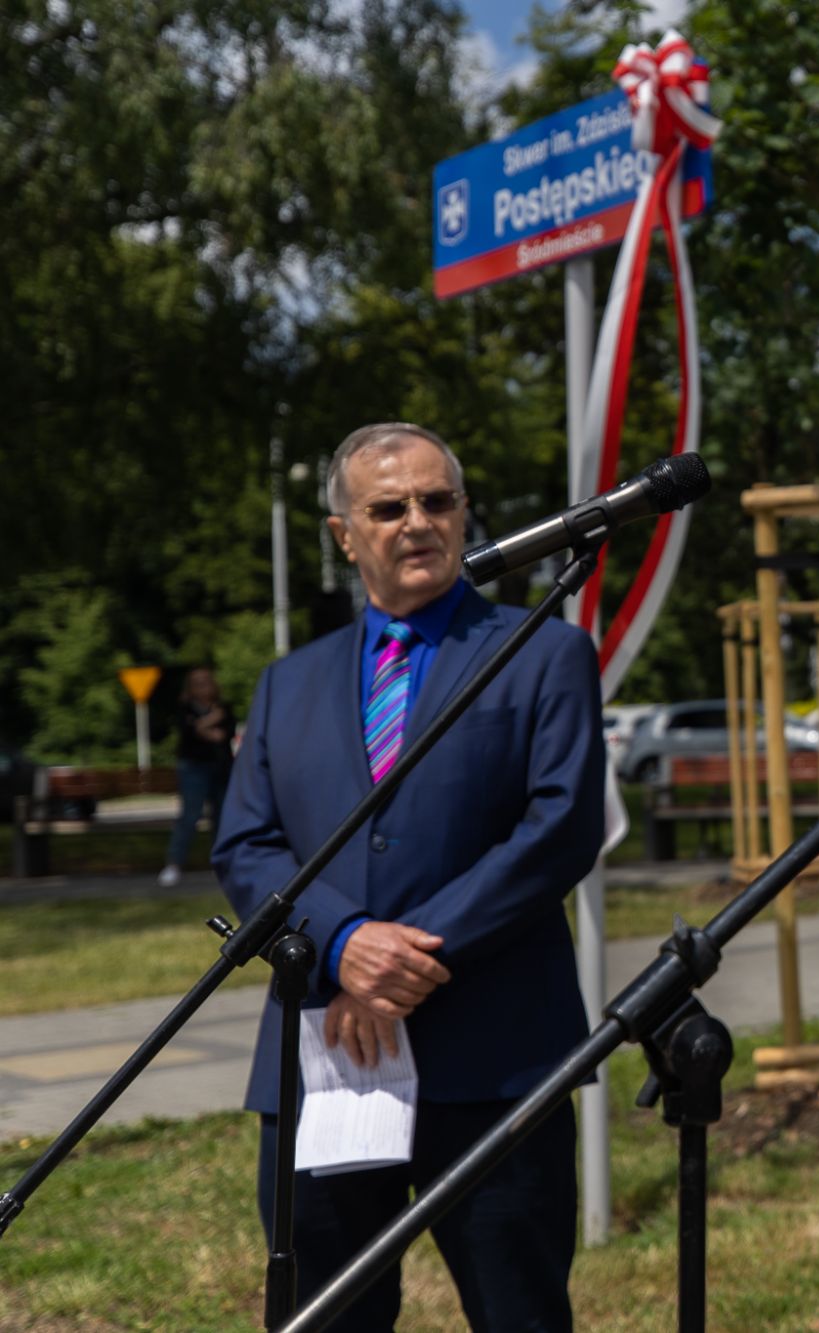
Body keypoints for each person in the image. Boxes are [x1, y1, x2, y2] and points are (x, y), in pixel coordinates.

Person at [213, 422, 603, 1331]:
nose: (417, 522)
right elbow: (246, 844)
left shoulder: (542, 649)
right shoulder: (288, 683)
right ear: (345, 534)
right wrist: (345, 944)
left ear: (465, 515)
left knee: (522, 1313)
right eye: (388, 507)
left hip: (496, 1058)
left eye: (438, 501)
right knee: (325, 1314)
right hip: (326, 1063)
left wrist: (406, 959)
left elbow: (558, 829)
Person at [158, 664, 233, 888]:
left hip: (221, 768)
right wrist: (210, 722)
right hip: (194, 768)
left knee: (222, 818)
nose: (203, 687)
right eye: (197, 683)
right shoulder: (185, 709)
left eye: (206, 681)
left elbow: (223, 735)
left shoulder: (223, 707)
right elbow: (190, 733)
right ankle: (174, 864)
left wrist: (202, 727)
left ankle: (223, 864)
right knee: (190, 816)